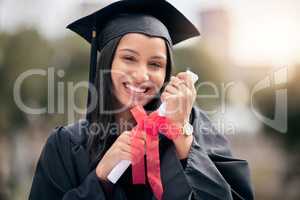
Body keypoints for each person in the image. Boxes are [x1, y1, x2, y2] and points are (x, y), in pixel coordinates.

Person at [29, 0, 254, 199]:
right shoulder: (67, 145)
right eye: (129, 58)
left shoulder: (194, 125)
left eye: (155, 64)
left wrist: (184, 143)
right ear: (107, 62)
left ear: (167, 72)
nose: (141, 75)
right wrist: (100, 181)